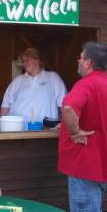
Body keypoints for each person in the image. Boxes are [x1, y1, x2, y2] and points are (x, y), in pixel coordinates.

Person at [58, 41, 107, 212]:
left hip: (84, 165)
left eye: (80, 57)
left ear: (88, 62)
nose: (77, 61)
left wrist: (74, 132)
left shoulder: (86, 84)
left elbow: (69, 107)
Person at [0, 47, 66, 127]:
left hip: (44, 131)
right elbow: (5, 106)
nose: (25, 63)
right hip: (16, 130)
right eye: (23, 61)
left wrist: (64, 126)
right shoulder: (17, 81)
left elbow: (64, 105)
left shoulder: (53, 78)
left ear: (37, 60)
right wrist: (2, 127)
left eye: (27, 60)